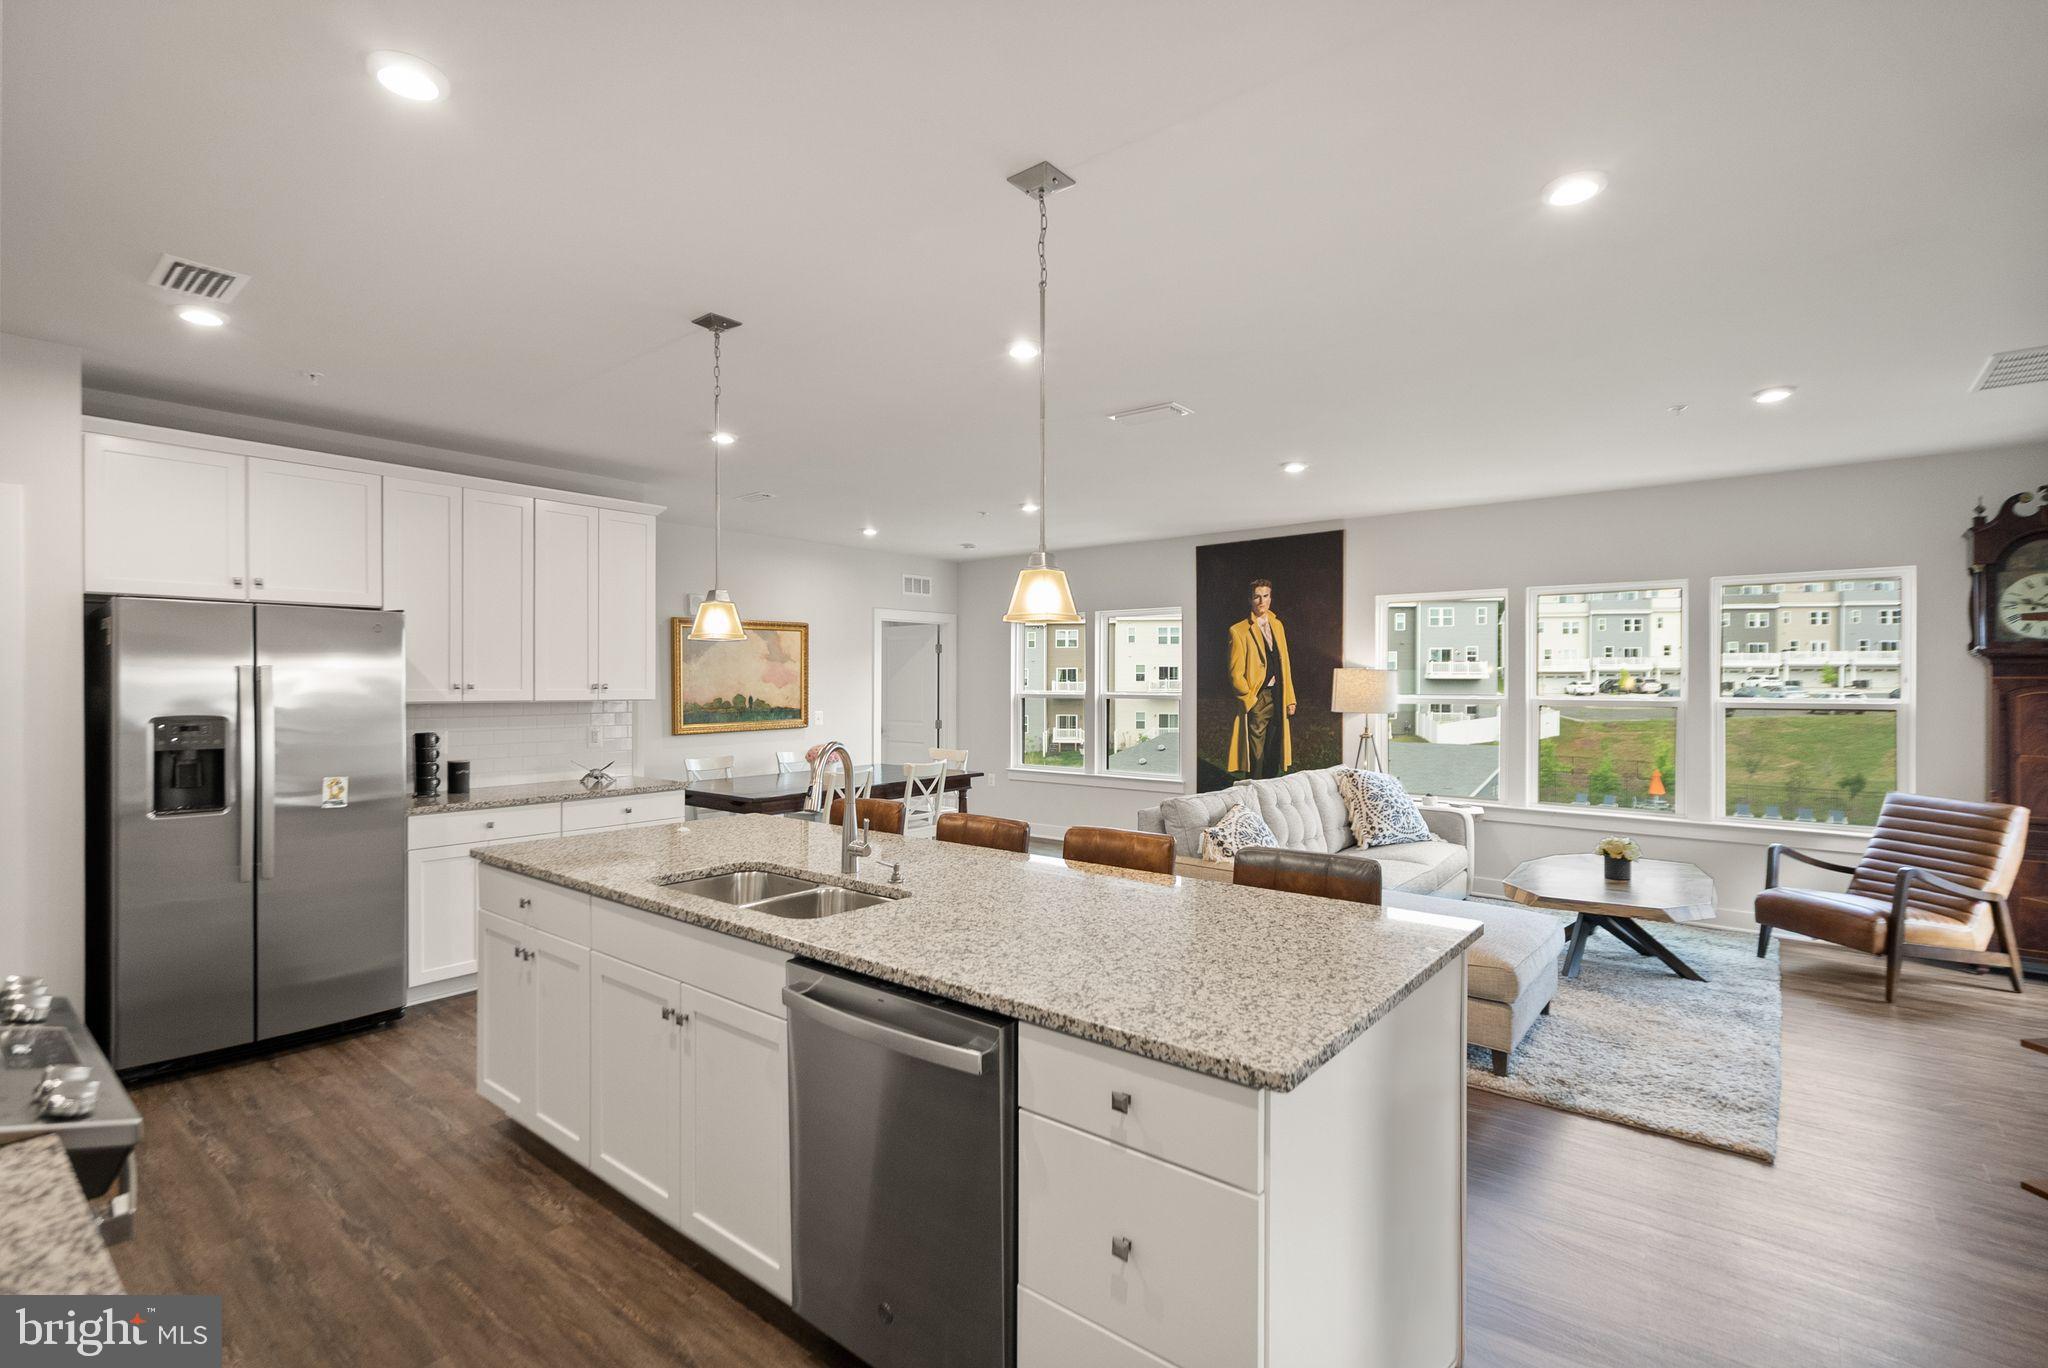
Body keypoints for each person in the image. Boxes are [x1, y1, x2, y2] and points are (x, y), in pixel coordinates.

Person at [1226, 578, 1296, 779]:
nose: (1262, 601)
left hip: (1279, 693)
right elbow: (1235, 673)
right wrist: (1249, 698)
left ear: (1270, 598)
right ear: (1250, 600)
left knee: (1275, 744)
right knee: (1256, 750)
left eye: (1265, 596)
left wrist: (1290, 698)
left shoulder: (1277, 625)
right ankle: (1253, 787)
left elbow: (1285, 664)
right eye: (1257, 597)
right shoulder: (1238, 630)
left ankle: (1270, 788)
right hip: (1258, 696)